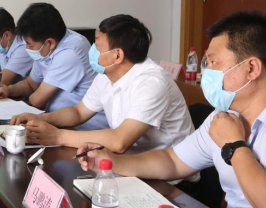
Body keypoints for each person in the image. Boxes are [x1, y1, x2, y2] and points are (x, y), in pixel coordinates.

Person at [77, 11, 266, 208]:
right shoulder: (226, 114)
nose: (207, 72)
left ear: (251, 68)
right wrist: (112, 162)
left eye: (214, 63)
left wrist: (235, 146)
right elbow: (173, 160)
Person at [12, 15, 194, 153]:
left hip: (169, 178)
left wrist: (58, 136)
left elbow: (120, 140)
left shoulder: (151, 83)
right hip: (128, 162)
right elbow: (78, 112)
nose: (92, 50)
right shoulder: (106, 74)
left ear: (117, 55)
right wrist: (40, 119)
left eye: (97, 46)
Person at [0, 3, 107, 130]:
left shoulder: (70, 52)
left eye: (30, 45)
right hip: (56, 120)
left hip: (85, 127)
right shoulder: (45, 47)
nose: (27, 48)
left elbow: (37, 100)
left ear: (50, 43)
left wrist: (20, 107)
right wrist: (8, 90)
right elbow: (30, 84)